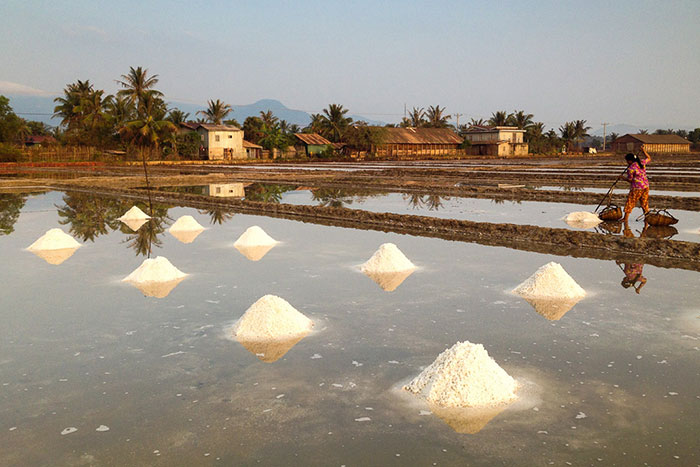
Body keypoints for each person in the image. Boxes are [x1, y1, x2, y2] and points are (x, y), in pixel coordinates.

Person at [622, 148, 651, 222]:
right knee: (644, 202)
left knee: (630, 202)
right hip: (645, 186)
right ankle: (647, 218)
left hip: (637, 188)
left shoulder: (631, 169)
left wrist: (623, 178)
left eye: (627, 161)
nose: (627, 162)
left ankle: (625, 219)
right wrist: (644, 150)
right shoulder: (642, 162)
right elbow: (649, 158)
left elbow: (630, 180)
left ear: (630, 161)